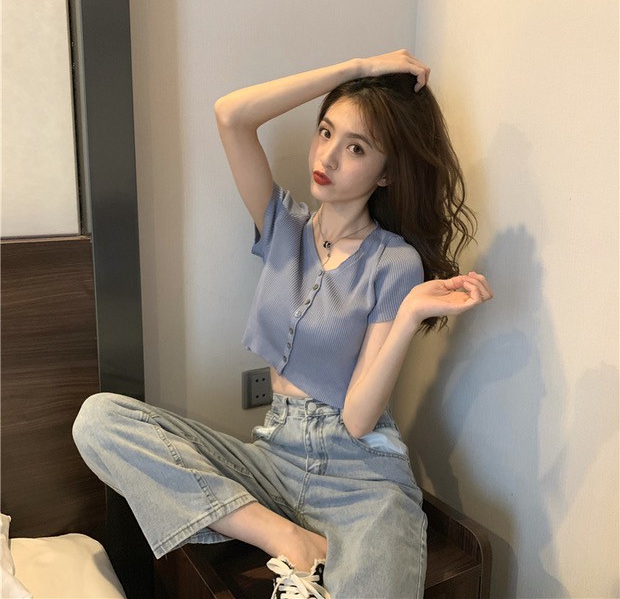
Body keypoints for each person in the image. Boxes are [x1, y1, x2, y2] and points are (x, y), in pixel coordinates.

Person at [73, 49, 492, 599]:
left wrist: (411, 312)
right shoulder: (283, 226)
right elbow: (231, 114)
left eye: (356, 148)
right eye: (326, 132)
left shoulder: (395, 262)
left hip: (360, 478)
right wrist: (356, 70)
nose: (328, 156)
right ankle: (287, 539)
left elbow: (359, 419)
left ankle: (298, 544)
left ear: (387, 173)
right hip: (273, 457)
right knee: (99, 420)